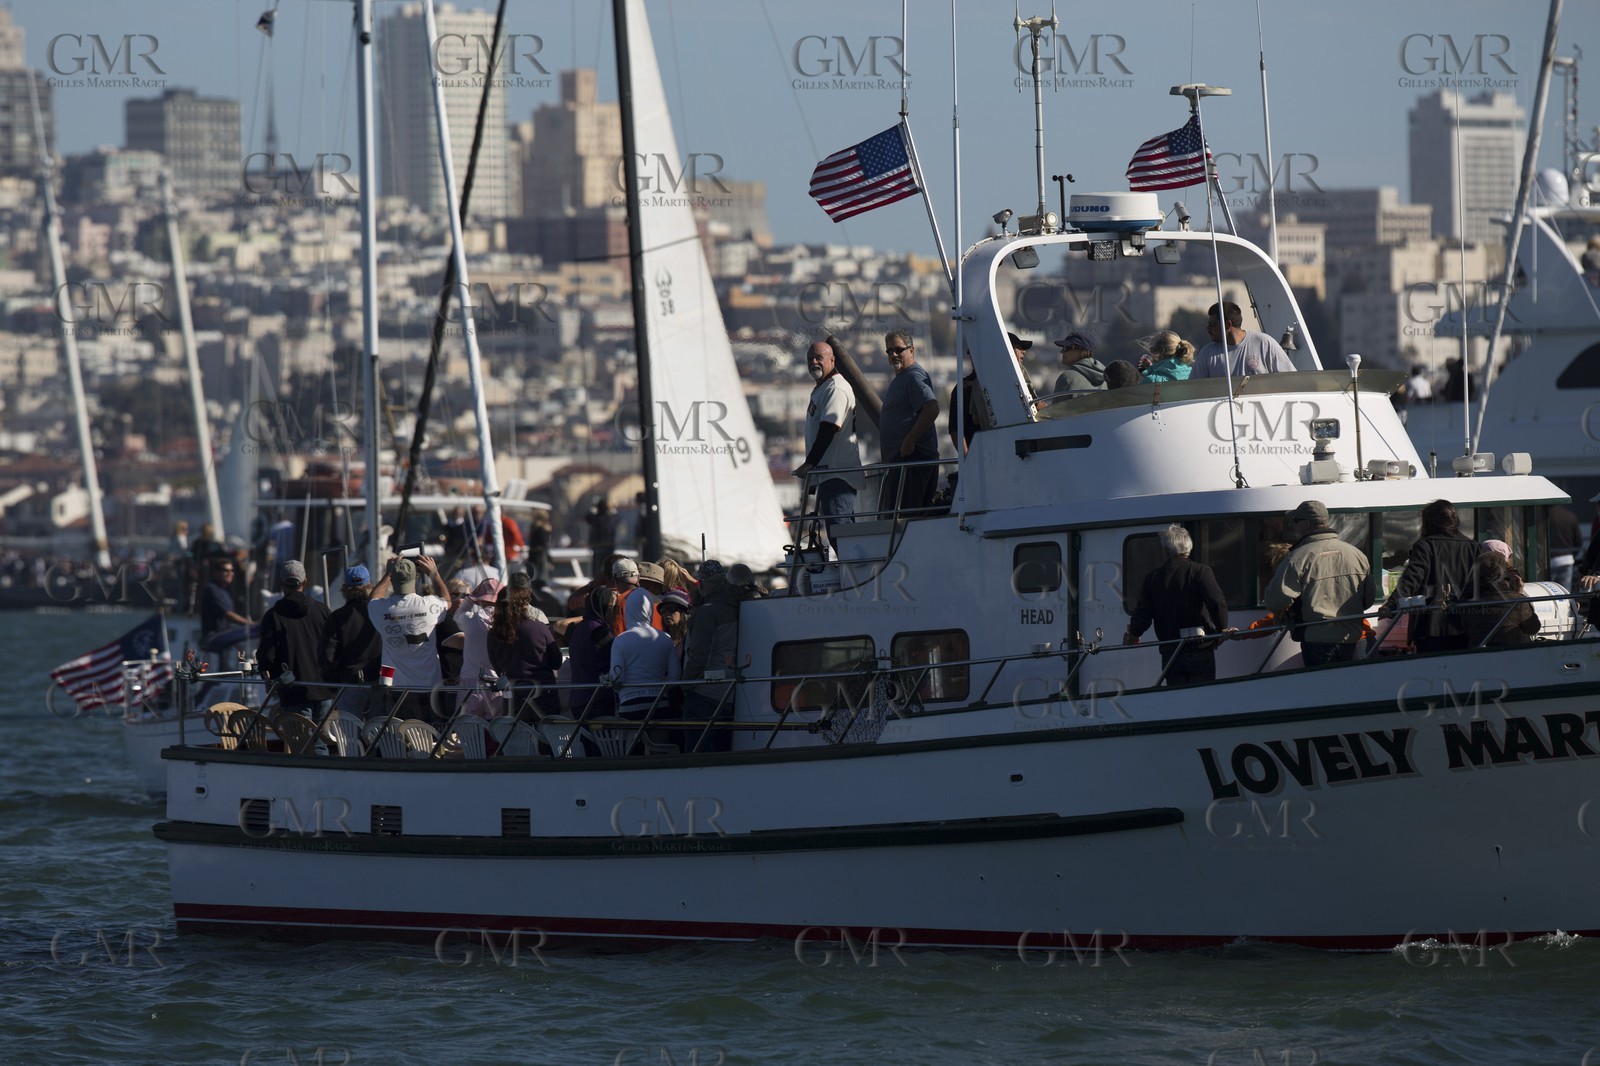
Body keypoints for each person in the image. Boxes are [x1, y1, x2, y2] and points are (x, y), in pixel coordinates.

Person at [1263, 501, 1374, 667]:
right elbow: (1368, 599)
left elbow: (1276, 601)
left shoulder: (1296, 559)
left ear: (1306, 524)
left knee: (1323, 690)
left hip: (1317, 642)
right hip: (1354, 639)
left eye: (1295, 522)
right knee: (1354, 690)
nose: (1293, 527)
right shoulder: (1357, 554)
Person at [1124, 524, 1230, 685]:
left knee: (1178, 700)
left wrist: (1134, 634)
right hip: (1200, 648)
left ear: (1166, 551)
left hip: (1170, 650)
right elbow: (1217, 602)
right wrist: (1223, 628)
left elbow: (1143, 614)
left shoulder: (1153, 578)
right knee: (1203, 698)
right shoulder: (1201, 571)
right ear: (1188, 549)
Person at [1379, 499, 1480, 653]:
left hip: (1431, 626)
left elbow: (1411, 580)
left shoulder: (1425, 545)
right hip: (1467, 625)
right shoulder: (1474, 547)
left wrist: (1391, 605)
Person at [794, 340, 864, 542]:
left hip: (837, 475)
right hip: (827, 475)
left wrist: (810, 463)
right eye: (810, 359)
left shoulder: (836, 388)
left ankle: (851, 573)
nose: (814, 362)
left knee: (841, 536)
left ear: (832, 360)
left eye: (819, 357)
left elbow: (829, 428)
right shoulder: (823, 388)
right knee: (838, 535)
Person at [255, 559, 335, 726]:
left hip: (293, 690)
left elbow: (267, 656)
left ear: (281, 583)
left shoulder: (273, 616)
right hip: (324, 688)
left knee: (302, 742)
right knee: (322, 740)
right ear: (305, 582)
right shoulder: (323, 611)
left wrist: (267, 675)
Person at [367, 554, 449, 695]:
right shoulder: (429, 605)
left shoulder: (381, 608)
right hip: (429, 687)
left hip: (395, 689)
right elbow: (447, 601)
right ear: (416, 579)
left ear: (392, 580)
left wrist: (387, 574)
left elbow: (373, 598)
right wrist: (434, 573)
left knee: (396, 718)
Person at [878, 331, 940, 514]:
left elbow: (932, 408)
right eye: (889, 351)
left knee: (907, 518)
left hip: (913, 460)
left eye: (898, 349)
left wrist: (909, 441)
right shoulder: (902, 378)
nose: (893, 355)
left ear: (911, 351)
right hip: (903, 461)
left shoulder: (913, 376)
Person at [487, 580, 562, 716]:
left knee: (517, 735)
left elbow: (497, 668)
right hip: (543, 692)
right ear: (523, 604)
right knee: (546, 735)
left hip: (512, 696)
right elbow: (556, 662)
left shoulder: (493, 634)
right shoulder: (538, 627)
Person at [324, 565, 382, 715]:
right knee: (378, 733)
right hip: (379, 682)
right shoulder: (380, 613)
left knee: (350, 734)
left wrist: (333, 684)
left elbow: (327, 655)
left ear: (345, 589)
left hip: (349, 683)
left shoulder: (337, 617)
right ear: (370, 586)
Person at [1189, 302, 1294, 379]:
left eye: (1212, 324)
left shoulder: (1264, 343)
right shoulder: (1207, 354)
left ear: (1228, 325)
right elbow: (1194, 390)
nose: (1208, 328)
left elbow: (1290, 380)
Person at [1457, 551, 1541, 647]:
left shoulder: (1468, 601)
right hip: (1514, 653)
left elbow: (1463, 628)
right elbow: (1533, 628)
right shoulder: (1516, 602)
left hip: (1478, 654)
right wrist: (1518, 595)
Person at [449, 578, 502, 717]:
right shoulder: (507, 622)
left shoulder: (470, 620)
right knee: (497, 732)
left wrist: (471, 597)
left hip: (470, 682)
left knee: (468, 731)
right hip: (497, 684)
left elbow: (458, 615)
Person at [567, 586, 617, 717]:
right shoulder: (600, 632)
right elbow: (616, 659)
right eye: (612, 607)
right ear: (603, 606)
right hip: (597, 699)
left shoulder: (578, 629)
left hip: (578, 699)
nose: (615, 612)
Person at [199, 557, 256, 653]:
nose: (230, 574)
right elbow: (228, 614)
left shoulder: (224, 591)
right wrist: (251, 624)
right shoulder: (212, 590)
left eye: (232, 571)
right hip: (215, 638)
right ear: (216, 572)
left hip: (225, 637)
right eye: (226, 570)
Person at [1548, 505, 1582, 589]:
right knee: (1565, 592)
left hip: (1550, 559)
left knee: (1549, 591)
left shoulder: (1546, 516)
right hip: (1567, 559)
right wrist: (1572, 554)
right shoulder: (1570, 516)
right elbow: (1578, 540)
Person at [585, 500, 616, 580]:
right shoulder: (611, 518)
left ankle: (596, 582)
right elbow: (618, 517)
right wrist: (612, 509)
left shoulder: (596, 518)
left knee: (596, 569)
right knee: (609, 567)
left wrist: (592, 508)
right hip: (609, 546)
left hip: (598, 547)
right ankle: (609, 580)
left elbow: (587, 517)